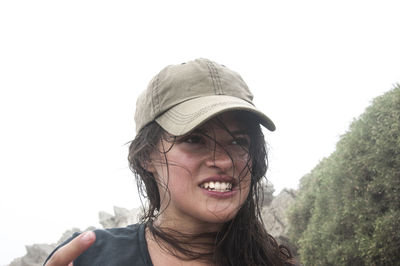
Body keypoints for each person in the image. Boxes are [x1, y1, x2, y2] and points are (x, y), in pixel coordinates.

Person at [44, 58, 295, 266]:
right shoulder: (89, 257)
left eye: (238, 141)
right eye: (194, 139)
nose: (223, 160)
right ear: (146, 156)